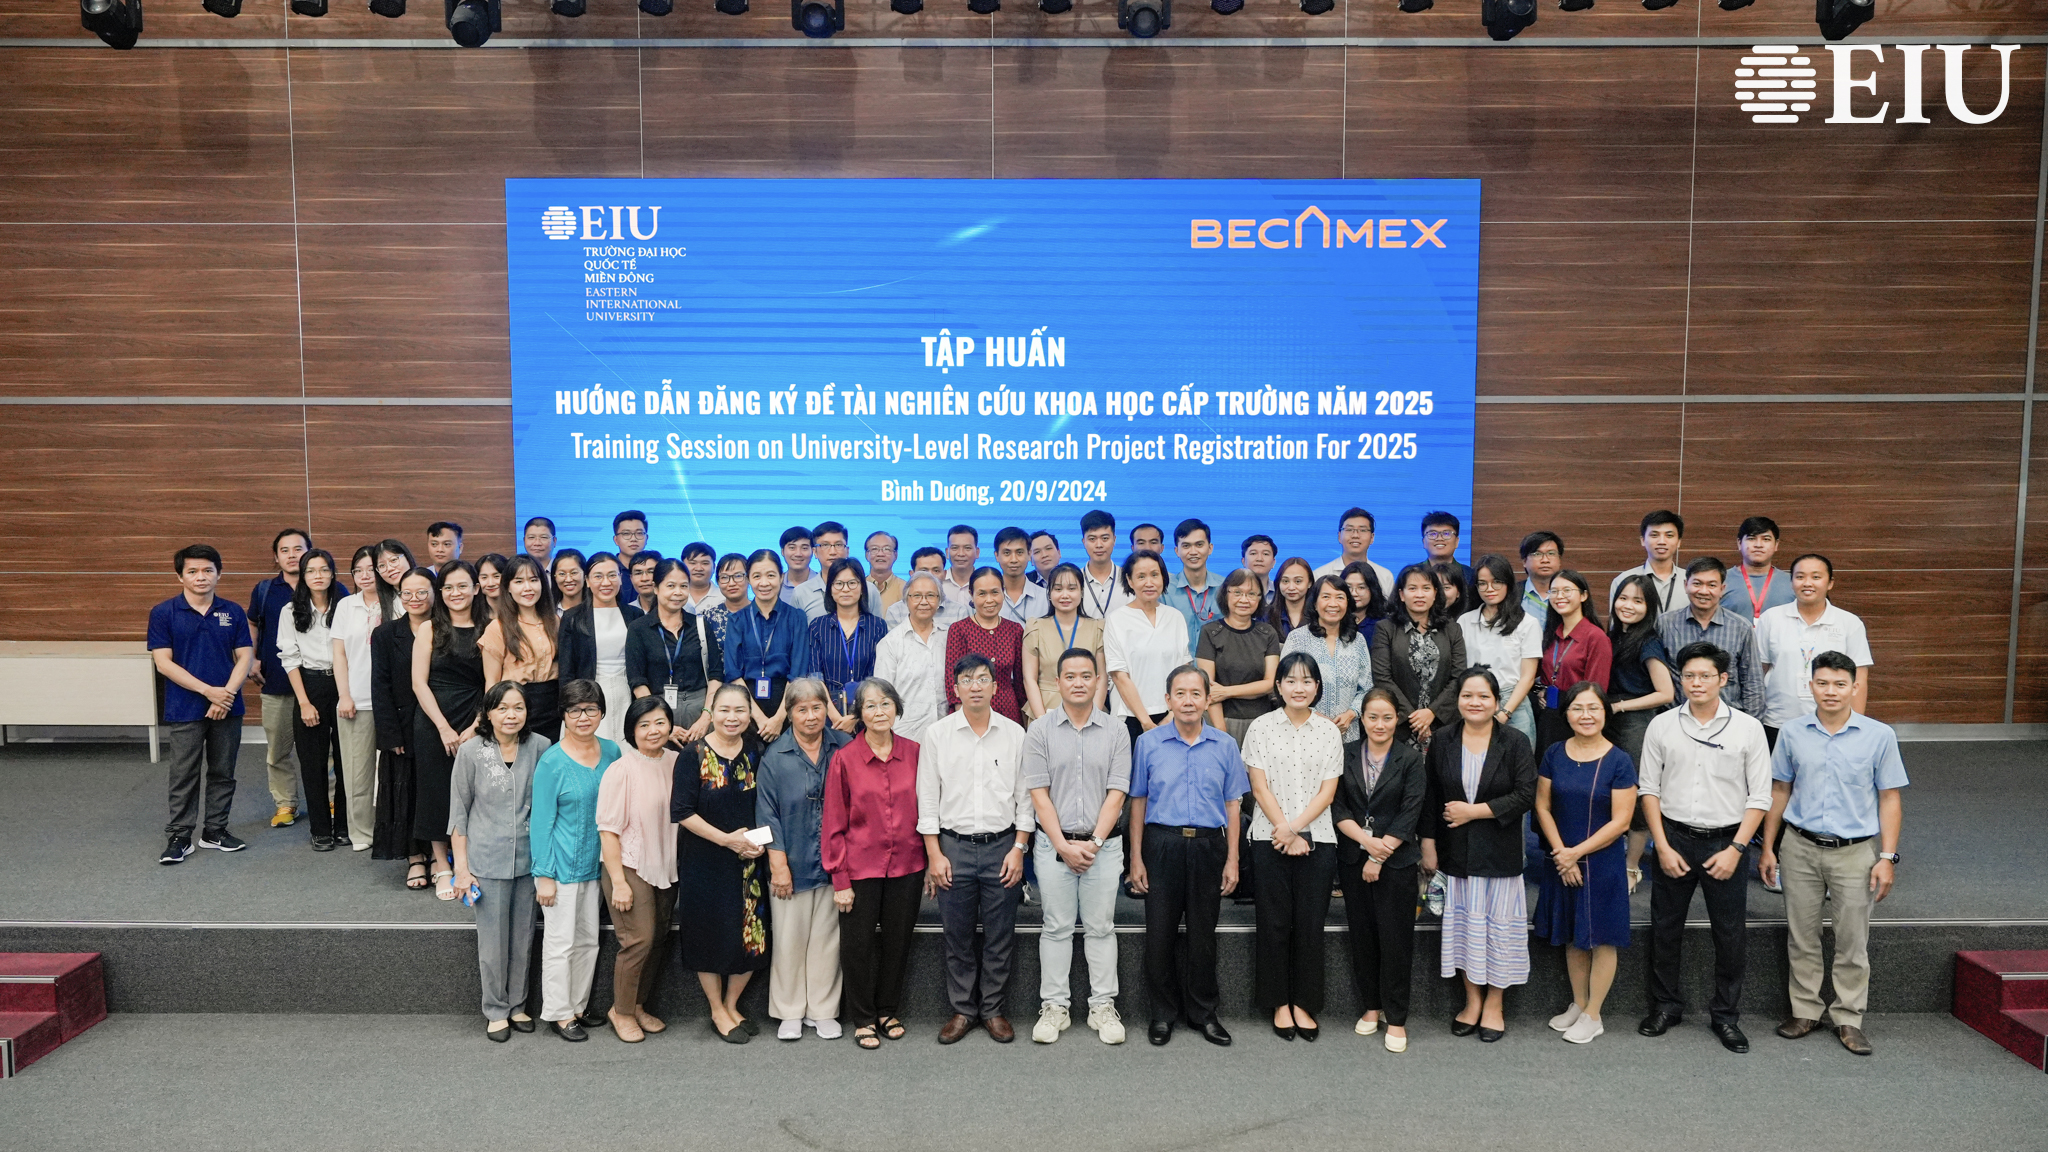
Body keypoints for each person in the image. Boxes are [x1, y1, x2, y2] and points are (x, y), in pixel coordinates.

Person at [1760, 651, 1907, 1057]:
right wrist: (1768, 847)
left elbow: (1890, 798)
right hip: (1799, 847)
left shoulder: (1879, 735)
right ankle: (1805, 1011)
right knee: (1801, 935)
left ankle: (1849, 1018)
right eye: (1822, 683)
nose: (1831, 691)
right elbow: (1779, 790)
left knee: (1852, 940)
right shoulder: (1792, 733)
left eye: (1840, 684)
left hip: (1855, 852)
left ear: (1855, 687)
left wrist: (1888, 857)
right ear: (1810, 686)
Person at [1636, 641, 1771, 1054]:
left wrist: (1736, 849)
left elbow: (1760, 796)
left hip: (1726, 842)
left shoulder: (1748, 728)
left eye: (1706, 676)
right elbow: (1648, 789)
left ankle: (1726, 1016)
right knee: (1665, 929)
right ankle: (1666, 1007)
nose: (1696, 683)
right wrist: (1661, 846)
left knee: (1730, 935)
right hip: (1673, 839)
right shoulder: (1662, 725)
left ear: (1723, 679)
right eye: (1689, 676)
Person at [1128, 665, 1247, 1047]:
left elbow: (1233, 805)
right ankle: (1162, 1014)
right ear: (1168, 699)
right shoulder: (1148, 743)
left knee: (1203, 936)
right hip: (1161, 844)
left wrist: (1232, 859)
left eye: (1196, 693)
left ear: (1208, 699)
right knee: (1159, 934)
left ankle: (1203, 1013)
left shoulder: (1225, 745)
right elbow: (1138, 801)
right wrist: (1135, 858)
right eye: (1180, 693)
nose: (1188, 701)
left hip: (1209, 846)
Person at [921, 653, 1033, 1044]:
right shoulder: (937, 735)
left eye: (983, 679)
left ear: (995, 687)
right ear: (955, 689)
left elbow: (1025, 798)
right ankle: (963, 1010)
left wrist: (1019, 848)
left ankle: (993, 1010)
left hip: (1003, 847)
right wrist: (934, 855)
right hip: (953, 848)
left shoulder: (1015, 733)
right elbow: (927, 799)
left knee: (1001, 935)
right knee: (958, 935)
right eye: (967, 680)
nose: (975, 686)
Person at [1022, 648, 1131, 1045]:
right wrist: (1063, 846)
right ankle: (1055, 1007)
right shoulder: (1040, 730)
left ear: (1098, 681)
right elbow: (1039, 795)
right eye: (1070, 676)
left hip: (1104, 847)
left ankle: (1102, 1006)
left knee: (1101, 927)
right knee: (1056, 927)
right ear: (1058, 682)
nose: (1079, 683)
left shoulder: (1116, 731)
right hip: (1054, 846)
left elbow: (1117, 793)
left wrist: (1094, 844)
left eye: (1087, 675)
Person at [1421, 667, 1537, 1042]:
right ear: (1458, 700)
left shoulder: (1515, 741)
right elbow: (1431, 795)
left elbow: (1526, 795)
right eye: (1467, 695)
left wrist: (1475, 811)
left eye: (1483, 696)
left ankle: (1494, 1005)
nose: (1475, 702)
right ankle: (1472, 1001)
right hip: (1456, 853)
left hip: (1499, 854)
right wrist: (1428, 843)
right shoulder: (1443, 739)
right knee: (1464, 931)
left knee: (1498, 932)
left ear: (1496, 702)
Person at [1242, 652, 1343, 1042]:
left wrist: (1296, 830)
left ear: (1317, 687)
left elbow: (1328, 792)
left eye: (1307, 681)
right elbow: (1259, 786)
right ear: (1278, 686)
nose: (1299, 688)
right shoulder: (1261, 727)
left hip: (1318, 839)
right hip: (1269, 837)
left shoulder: (1329, 731)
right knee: (1274, 922)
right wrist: (1284, 830)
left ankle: (1304, 1002)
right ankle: (1279, 1002)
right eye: (1291, 680)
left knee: (1310, 924)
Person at [823, 678, 928, 1050]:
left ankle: (887, 1010)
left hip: (909, 865)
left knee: (898, 943)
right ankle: (863, 1017)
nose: (879, 711)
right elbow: (833, 822)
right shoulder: (845, 759)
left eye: (886, 703)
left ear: (897, 708)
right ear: (859, 714)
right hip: (859, 868)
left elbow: (929, 810)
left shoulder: (916, 753)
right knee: (858, 946)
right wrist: (840, 879)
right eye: (870, 705)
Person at [1532, 682, 1638, 1045]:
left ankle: (1594, 1014)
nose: (1586, 715)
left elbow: (1621, 822)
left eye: (1593, 708)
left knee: (1602, 938)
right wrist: (1562, 854)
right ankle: (1579, 1003)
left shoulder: (1619, 761)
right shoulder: (1554, 752)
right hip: (1561, 857)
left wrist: (1575, 854)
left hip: (1601, 861)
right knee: (1572, 934)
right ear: (1567, 714)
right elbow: (1542, 806)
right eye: (1577, 708)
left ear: (1605, 712)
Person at [448, 681, 547, 1041]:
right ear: (488, 713)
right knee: (492, 944)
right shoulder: (471, 751)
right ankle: (495, 1009)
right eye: (502, 708)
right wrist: (461, 869)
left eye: (518, 707)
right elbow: (458, 814)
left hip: (529, 859)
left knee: (523, 937)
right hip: (486, 860)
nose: (511, 715)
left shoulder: (541, 747)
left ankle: (518, 1006)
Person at [673, 682, 772, 1043]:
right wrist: (727, 840)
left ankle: (732, 1004)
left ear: (750, 715)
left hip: (748, 861)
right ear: (711, 713)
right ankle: (716, 1009)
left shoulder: (757, 751)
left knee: (751, 935)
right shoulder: (693, 754)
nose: (732, 717)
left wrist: (758, 843)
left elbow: (766, 805)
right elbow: (682, 812)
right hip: (704, 860)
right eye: (724, 710)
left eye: (740, 710)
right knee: (709, 934)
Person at [1331, 688, 1426, 1052]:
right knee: (1363, 937)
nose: (1380, 724)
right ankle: (1371, 1006)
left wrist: (1378, 856)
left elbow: (1410, 811)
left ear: (1397, 719)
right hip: (1354, 858)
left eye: (1387, 717)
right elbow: (1338, 807)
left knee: (1395, 941)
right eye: (1372, 717)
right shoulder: (1346, 753)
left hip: (1396, 862)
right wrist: (1365, 844)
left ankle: (1396, 1018)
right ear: (1363, 719)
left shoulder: (1410, 758)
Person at [759, 680, 851, 1041]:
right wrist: (778, 865)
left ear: (826, 709)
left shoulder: (843, 745)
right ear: (790, 714)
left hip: (835, 863)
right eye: (802, 709)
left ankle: (823, 1010)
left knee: (828, 941)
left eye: (817, 708)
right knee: (789, 940)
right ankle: (790, 1011)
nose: (811, 716)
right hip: (791, 861)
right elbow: (767, 814)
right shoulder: (775, 755)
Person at [149, 544, 253, 864]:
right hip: (185, 707)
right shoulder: (163, 612)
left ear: (219, 574)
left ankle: (215, 831)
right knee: (184, 773)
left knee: (223, 771)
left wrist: (226, 695)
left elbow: (245, 657)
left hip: (228, 706)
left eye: (208, 570)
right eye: (192, 571)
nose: (201, 577)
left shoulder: (233, 611)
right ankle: (180, 836)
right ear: (179, 576)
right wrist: (209, 691)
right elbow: (163, 663)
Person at [531, 679, 621, 1041]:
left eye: (591, 709)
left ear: (601, 712)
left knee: (588, 941)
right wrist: (543, 874)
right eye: (574, 710)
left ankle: (579, 1007)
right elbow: (540, 822)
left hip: (597, 865)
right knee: (560, 944)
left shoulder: (613, 752)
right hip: (560, 868)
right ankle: (559, 1013)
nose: (583, 717)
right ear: (564, 715)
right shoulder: (551, 762)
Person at [596, 695, 680, 1043]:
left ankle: (638, 1004)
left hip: (666, 864)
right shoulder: (622, 769)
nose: (653, 730)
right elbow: (607, 831)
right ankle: (622, 1011)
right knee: (638, 940)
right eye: (644, 725)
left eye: (660, 722)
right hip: (629, 865)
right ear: (632, 730)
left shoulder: (677, 761)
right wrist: (619, 882)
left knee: (657, 938)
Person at [412, 561, 491, 901]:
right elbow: (418, 682)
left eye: (462, 586)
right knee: (436, 791)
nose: (455, 593)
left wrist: (476, 725)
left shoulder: (492, 626)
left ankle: (469, 862)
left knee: (476, 793)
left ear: (476, 588)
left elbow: (493, 682)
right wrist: (443, 727)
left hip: (477, 717)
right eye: (448, 588)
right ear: (440, 592)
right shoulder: (429, 628)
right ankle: (442, 865)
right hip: (434, 719)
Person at [1757, 554, 1873, 744]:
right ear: (1791, 582)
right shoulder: (1771, 618)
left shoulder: (1849, 623)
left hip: (1832, 724)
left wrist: (1855, 725)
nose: (1807, 583)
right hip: (1777, 721)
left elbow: (1859, 677)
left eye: (1816, 577)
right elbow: (1758, 671)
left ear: (1830, 583)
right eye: (1800, 577)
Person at [1606, 573, 1674, 891]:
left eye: (1638, 600)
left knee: (1635, 795)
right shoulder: (1612, 635)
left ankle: (1632, 866)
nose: (1628, 605)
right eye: (1623, 598)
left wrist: (1621, 706)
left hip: (1636, 724)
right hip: (1608, 720)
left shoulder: (1648, 641)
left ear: (1649, 607)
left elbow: (1665, 693)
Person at [332, 545, 402, 852]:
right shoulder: (346, 605)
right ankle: (361, 832)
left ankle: (395, 828)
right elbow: (338, 654)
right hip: (357, 698)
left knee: (396, 770)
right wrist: (344, 695)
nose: (364, 576)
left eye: (371, 569)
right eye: (357, 571)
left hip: (395, 701)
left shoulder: (399, 601)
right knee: (357, 771)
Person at [279, 548, 348, 851]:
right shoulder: (290, 611)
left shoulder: (346, 607)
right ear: (303, 576)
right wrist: (304, 702)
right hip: (309, 685)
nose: (317, 576)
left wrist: (347, 694)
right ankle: (320, 829)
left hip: (344, 684)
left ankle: (344, 825)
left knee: (347, 760)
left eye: (323, 570)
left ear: (333, 574)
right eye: (311, 571)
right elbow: (290, 659)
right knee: (313, 761)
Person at [372, 567, 435, 888]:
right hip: (402, 725)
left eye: (422, 592)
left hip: (440, 723)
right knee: (406, 792)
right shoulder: (385, 634)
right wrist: (389, 734)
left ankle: (438, 854)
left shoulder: (446, 628)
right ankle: (415, 857)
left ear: (434, 593)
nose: (414, 599)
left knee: (435, 791)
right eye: (407, 593)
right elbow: (379, 686)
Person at [249, 528, 309, 829]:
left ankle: (333, 800)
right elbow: (252, 623)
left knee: (327, 749)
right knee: (278, 749)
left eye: (298, 549)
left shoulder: (329, 586)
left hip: (320, 683)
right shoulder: (265, 590)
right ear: (276, 557)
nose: (292, 555)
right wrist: (251, 658)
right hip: (277, 681)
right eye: (285, 550)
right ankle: (286, 803)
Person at [1656, 557, 1766, 719]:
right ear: (1686, 585)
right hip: (1677, 720)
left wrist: (1749, 725)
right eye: (1697, 583)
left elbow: (1753, 683)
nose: (1704, 591)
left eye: (1712, 585)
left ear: (1722, 589)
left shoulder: (1741, 627)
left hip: (1729, 721)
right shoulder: (1665, 624)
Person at [1371, 565, 1466, 754]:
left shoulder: (1452, 629)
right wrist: (1415, 718)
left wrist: (1432, 712)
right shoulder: (1385, 629)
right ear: (1402, 594)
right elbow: (1382, 678)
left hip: (1443, 724)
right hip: (1400, 725)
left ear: (1435, 593)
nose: (1419, 594)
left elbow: (1459, 677)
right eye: (1412, 588)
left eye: (1426, 588)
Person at [627, 558, 722, 742]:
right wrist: (660, 722)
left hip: (700, 710)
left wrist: (706, 716)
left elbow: (715, 674)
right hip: (657, 710)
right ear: (656, 588)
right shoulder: (638, 628)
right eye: (670, 586)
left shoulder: (700, 625)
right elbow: (637, 681)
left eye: (684, 586)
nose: (678, 592)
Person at [722, 549, 812, 741]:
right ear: (748, 579)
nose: (764, 583)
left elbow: (798, 672)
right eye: (757, 576)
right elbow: (733, 673)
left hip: (788, 703)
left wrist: (779, 719)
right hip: (746, 706)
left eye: (771, 575)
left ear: (781, 577)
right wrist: (760, 719)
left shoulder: (796, 618)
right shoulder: (737, 620)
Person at [1104, 550, 1192, 740]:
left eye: (1154, 575)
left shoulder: (1175, 617)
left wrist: (1172, 715)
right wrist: (1146, 722)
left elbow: (1184, 670)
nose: (1149, 582)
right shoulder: (1116, 619)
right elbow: (1119, 676)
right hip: (1130, 718)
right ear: (1130, 581)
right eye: (1141, 576)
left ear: (1163, 578)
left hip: (1173, 716)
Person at [559, 551, 643, 742]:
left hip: (626, 694)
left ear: (620, 578)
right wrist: (570, 709)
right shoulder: (573, 617)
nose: (606, 582)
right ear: (587, 581)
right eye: (598, 576)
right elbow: (566, 671)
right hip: (587, 698)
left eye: (612, 575)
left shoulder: (635, 615)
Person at [1459, 555, 1542, 744]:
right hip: (1474, 701)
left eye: (1496, 582)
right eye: (1482, 583)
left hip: (1513, 703)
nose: (1489, 589)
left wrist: (1505, 712)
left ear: (1508, 584)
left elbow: (1528, 677)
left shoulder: (1527, 623)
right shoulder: (1464, 621)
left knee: (1517, 760)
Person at [482, 555, 562, 742]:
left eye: (533, 580)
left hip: (554, 708)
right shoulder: (497, 627)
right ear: (508, 587)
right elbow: (492, 682)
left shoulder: (555, 622)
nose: (528, 588)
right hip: (516, 708)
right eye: (519, 581)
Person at [1197, 569, 1282, 746]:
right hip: (1220, 721)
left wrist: (1227, 692)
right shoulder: (1210, 632)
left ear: (1260, 598)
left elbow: (1269, 684)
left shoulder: (1268, 633)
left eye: (1251, 594)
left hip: (1262, 722)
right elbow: (1210, 689)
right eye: (1237, 592)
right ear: (1225, 594)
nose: (1244, 599)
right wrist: (1221, 732)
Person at [1535, 570, 1612, 755]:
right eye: (1554, 591)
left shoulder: (1595, 637)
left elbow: (1596, 690)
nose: (1559, 596)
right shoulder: (1551, 634)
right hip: (1549, 714)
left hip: (1578, 716)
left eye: (1567, 590)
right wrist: (1541, 691)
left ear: (1583, 595)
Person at [810, 557, 890, 733]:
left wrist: (855, 717)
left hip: (868, 715)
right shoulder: (818, 626)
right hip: (828, 716)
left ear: (862, 588)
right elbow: (816, 677)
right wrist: (835, 717)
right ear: (830, 589)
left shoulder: (877, 626)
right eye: (838, 584)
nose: (845, 589)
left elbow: (878, 676)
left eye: (852, 583)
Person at [874, 572, 953, 743]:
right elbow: (881, 695)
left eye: (930, 595)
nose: (924, 602)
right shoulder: (890, 643)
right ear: (906, 600)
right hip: (906, 736)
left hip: (947, 734)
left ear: (939, 600)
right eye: (917, 596)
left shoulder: (950, 637)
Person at [944, 567, 1028, 725]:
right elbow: (952, 678)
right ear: (971, 594)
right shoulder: (959, 630)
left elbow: (1020, 682)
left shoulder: (1015, 630)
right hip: (970, 709)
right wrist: (961, 715)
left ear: (1003, 592)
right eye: (982, 594)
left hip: (1008, 709)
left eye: (995, 592)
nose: (989, 600)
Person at [1019, 564, 1104, 720]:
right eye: (1058, 589)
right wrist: (1042, 720)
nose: (1065, 595)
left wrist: (1093, 718)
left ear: (1082, 592)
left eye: (1072, 589)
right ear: (1049, 594)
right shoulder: (1036, 628)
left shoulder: (1097, 628)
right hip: (1045, 708)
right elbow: (1029, 679)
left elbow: (1102, 678)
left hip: (1088, 708)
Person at [1164, 518, 1223, 651]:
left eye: (1199, 545)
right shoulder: (1165, 590)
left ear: (1210, 548)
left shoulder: (1226, 588)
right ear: (1177, 551)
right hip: (1178, 663)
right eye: (1186, 546)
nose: (1193, 552)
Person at [1609, 510, 1683, 614]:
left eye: (1669, 535)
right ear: (1643, 540)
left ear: (1679, 542)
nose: (1662, 541)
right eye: (1654, 535)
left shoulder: (1692, 582)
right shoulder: (1623, 580)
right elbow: (1616, 622)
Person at [1314, 507, 1395, 600]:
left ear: (1372, 538)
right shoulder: (1320, 575)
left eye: (1363, 530)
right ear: (1339, 536)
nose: (1355, 535)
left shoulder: (1385, 576)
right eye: (1349, 530)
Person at [1726, 516, 1794, 619]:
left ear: (1776, 545)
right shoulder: (1721, 581)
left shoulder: (1793, 582)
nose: (1758, 545)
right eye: (1751, 538)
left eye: (1766, 539)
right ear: (1739, 543)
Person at [885, 547, 961, 628]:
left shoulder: (959, 612)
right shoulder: (896, 612)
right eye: (924, 571)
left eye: (936, 571)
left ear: (945, 574)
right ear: (912, 574)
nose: (930, 576)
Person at [1417, 512, 1478, 610]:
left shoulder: (1470, 576)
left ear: (1457, 541)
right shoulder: (1412, 574)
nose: (1439, 538)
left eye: (1446, 534)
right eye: (1432, 534)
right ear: (1423, 542)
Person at [989, 526, 1049, 625]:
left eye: (1019, 552)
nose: (1014, 560)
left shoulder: (1045, 598)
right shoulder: (987, 599)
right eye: (1007, 553)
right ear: (997, 556)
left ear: (1029, 554)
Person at [1078, 509, 1130, 620]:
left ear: (1114, 540)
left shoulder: (1129, 578)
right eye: (1092, 539)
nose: (1099, 545)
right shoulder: (1075, 580)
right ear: (1084, 542)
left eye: (1105, 538)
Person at [701, 553, 750, 649]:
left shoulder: (762, 614)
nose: (731, 583)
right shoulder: (707, 618)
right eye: (724, 577)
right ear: (718, 582)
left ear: (749, 578)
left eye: (738, 576)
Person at [1516, 531, 1565, 623]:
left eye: (1551, 553)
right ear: (1524, 561)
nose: (1545, 560)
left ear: (1559, 560)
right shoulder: (1510, 594)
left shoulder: (1571, 594)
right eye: (1537, 554)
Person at [778, 525, 825, 619]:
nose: (798, 554)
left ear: (813, 551)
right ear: (782, 552)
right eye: (792, 548)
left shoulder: (823, 584)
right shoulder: (776, 585)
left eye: (804, 548)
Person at [1263, 556, 1316, 637]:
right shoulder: (1266, 616)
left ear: (1310, 583)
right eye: (1285, 581)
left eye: (1298, 581)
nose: (1291, 587)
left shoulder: (1318, 616)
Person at [1341, 562, 1389, 648]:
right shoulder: (1333, 621)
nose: (1354, 593)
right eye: (1348, 587)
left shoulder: (1384, 624)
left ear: (1372, 589)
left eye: (1361, 587)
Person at [942, 525, 982, 621]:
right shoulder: (937, 583)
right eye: (955, 548)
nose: (961, 554)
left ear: (977, 552)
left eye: (967, 548)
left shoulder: (986, 583)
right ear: (947, 552)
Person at [864, 531, 906, 616]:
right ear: (866, 555)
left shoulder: (905, 589)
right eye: (874, 549)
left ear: (895, 555)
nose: (880, 554)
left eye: (887, 549)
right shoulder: (857, 587)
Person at [680, 541, 721, 616]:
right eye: (693, 563)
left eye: (705, 563)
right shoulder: (674, 596)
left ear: (714, 567)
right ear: (681, 566)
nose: (698, 568)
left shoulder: (724, 598)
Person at [548, 550, 586, 618]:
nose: (568, 580)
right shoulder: (547, 612)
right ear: (555, 577)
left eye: (574, 573)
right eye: (562, 574)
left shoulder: (595, 610)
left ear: (585, 575)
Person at [612, 510, 648, 574]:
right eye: (626, 533)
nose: (633, 539)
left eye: (639, 533)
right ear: (616, 540)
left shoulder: (657, 570)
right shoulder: (608, 569)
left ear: (646, 538)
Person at [628, 551, 662, 615]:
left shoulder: (678, 609)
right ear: (631, 578)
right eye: (638, 573)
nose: (644, 579)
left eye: (651, 572)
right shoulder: (625, 613)